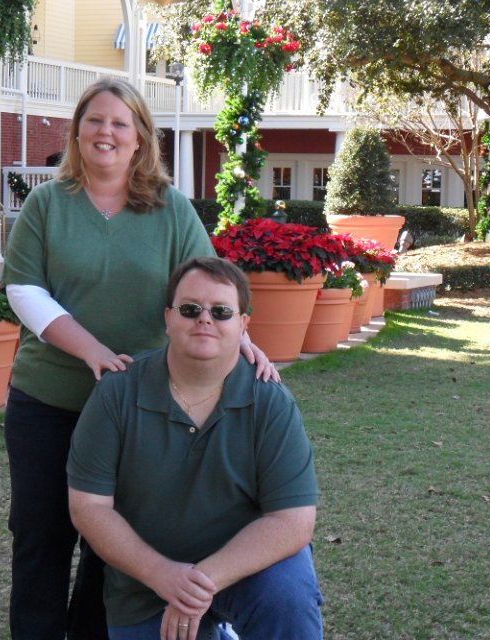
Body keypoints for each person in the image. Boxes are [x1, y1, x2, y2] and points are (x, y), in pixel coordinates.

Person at [0, 78, 277, 640]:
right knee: (41, 536)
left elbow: (209, 287)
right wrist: (94, 353)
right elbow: (24, 289)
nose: (106, 132)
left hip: (140, 409)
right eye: (95, 120)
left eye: (119, 123)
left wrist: (241, 341)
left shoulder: (171, 209)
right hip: (48, 401)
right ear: (78, 130)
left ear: (140, 137)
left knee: (113, 545)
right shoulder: (46, 204)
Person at [68, 256, 324, 640]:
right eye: (190, 309)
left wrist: (200, 582)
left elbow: (294, 520)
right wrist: (163, 574)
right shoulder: (116, 394)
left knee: (287, 600)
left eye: (221, 312)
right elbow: (89, 508)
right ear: (168, 318)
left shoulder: (270, 401)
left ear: (243, 325)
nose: (205, 319)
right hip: (147, 583)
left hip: (248, 567)